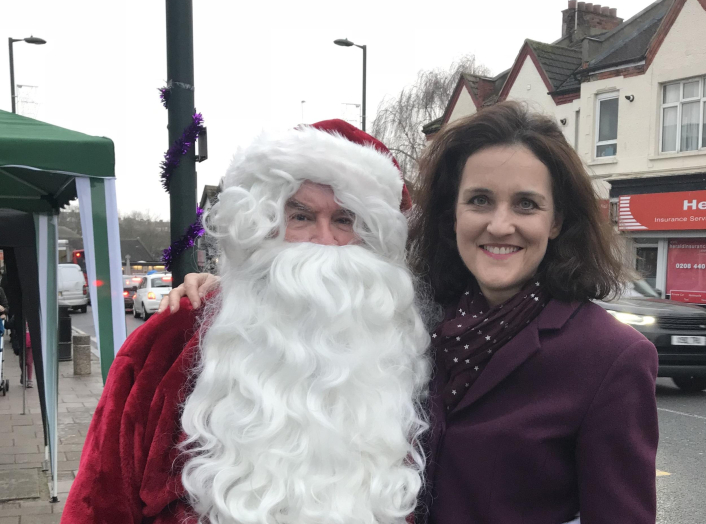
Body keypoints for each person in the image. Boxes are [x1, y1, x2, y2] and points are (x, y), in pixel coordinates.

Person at [167, 102, 660, 524]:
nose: (500, 224)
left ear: (557, 223)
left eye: (527, 205)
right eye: (480, 200)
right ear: (453, 215)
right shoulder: (410, 324)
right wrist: (229, 285)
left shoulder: (609, 357)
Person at [63, 120, 432, 524]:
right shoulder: (171, 340)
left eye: (345, 220)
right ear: (263, 227)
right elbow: (101, 499)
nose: (323, 240)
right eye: (301, 216)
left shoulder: (405, 354)